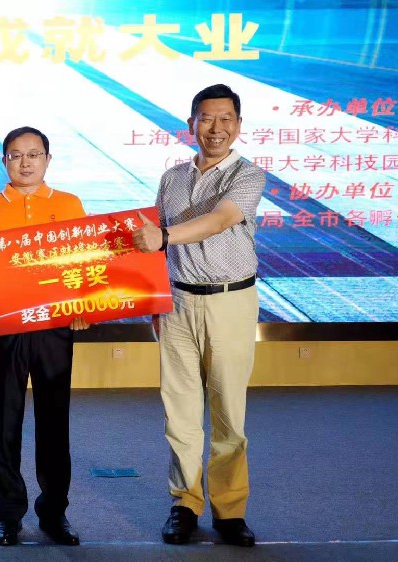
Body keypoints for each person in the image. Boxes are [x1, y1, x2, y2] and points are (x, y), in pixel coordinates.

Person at [132, 84, 265, 548]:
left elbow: (222, 218)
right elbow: (152, 244)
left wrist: (166, 237)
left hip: (230, 301)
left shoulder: (248, 175)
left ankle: (230, 511)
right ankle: (184, 504)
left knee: (229, 413)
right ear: (191, 123)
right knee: (180, 413)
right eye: (206, 118)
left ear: (239, 125)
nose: (216, 128)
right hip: (177, 305)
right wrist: (153, 301)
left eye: (226, 118)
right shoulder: (172, 178)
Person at [0, 126, 89, 547]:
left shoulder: (69, 204)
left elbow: (83, 262)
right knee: (4, 421)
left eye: (34, 154)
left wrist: (84, 305)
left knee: (54, 420)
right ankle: (9, 513)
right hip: (6, 326)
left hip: (54, 325)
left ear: (48, 160)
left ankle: (54, 513)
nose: (25, 162)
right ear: (4, 162)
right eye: (16, 155)